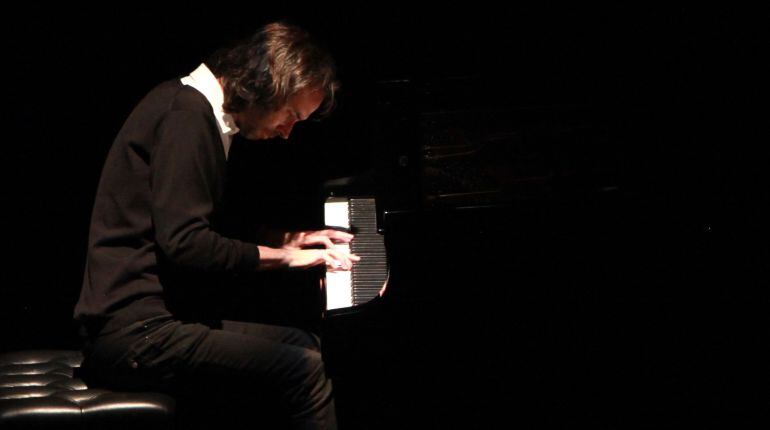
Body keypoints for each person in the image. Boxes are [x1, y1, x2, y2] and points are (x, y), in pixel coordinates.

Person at [73, 21, 357, 430]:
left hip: (156, 322)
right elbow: (187, 243)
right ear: (269, 85)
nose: (288, 133)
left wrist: (291, 238)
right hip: (136, 333)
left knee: (303, 345)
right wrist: (289, 258)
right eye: (291, 115)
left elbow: (208, 224)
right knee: (303, 370)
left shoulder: (193, 109)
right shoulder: (186, 117)